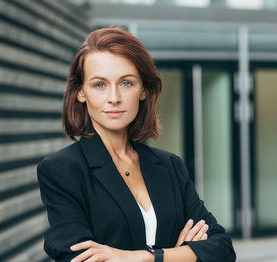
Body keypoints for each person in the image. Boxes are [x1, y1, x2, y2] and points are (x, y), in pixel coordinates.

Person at [37, 27, 236, 262]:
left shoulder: (170, 165)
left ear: (143, 90)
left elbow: (222, 249)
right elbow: (80, 259)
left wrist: (144, 257)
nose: (114, 97)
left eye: (126, 83)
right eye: (99, 84)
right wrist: (181, 254)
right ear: (81, 92)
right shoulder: (62, 170)